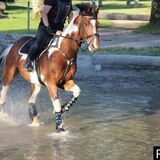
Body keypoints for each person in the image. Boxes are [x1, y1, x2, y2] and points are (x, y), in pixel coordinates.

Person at [24, 0, 72, 72]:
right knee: (40, 42)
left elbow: (70, 16)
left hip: (59, 29)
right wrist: (48, 27)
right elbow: (44, 13)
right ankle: (28, 60)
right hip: (46, 26)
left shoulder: (68, 2)